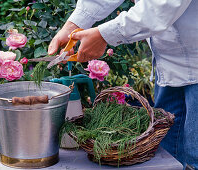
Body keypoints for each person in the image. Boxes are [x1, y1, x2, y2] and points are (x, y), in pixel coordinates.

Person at [48, 0, 198, 169]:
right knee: (168, 156)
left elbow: (164, 4)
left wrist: (104, 35)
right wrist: (73, 25)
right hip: (170, 63)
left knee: (195, 156)